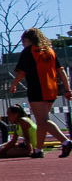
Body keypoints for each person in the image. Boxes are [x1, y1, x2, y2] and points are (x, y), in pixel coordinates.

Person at [10, 27, 72, 158]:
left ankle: (65, 141)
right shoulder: (49, 51)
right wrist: (67, 89)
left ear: (28, 40)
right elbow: (61, 71)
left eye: (23, 41)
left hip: (37, 89)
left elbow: (22, 72)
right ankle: (38, 149)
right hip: (51, 89)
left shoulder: (29, 52)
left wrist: (14, 85)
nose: (23, 44)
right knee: (42, 120)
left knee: (43, 120)